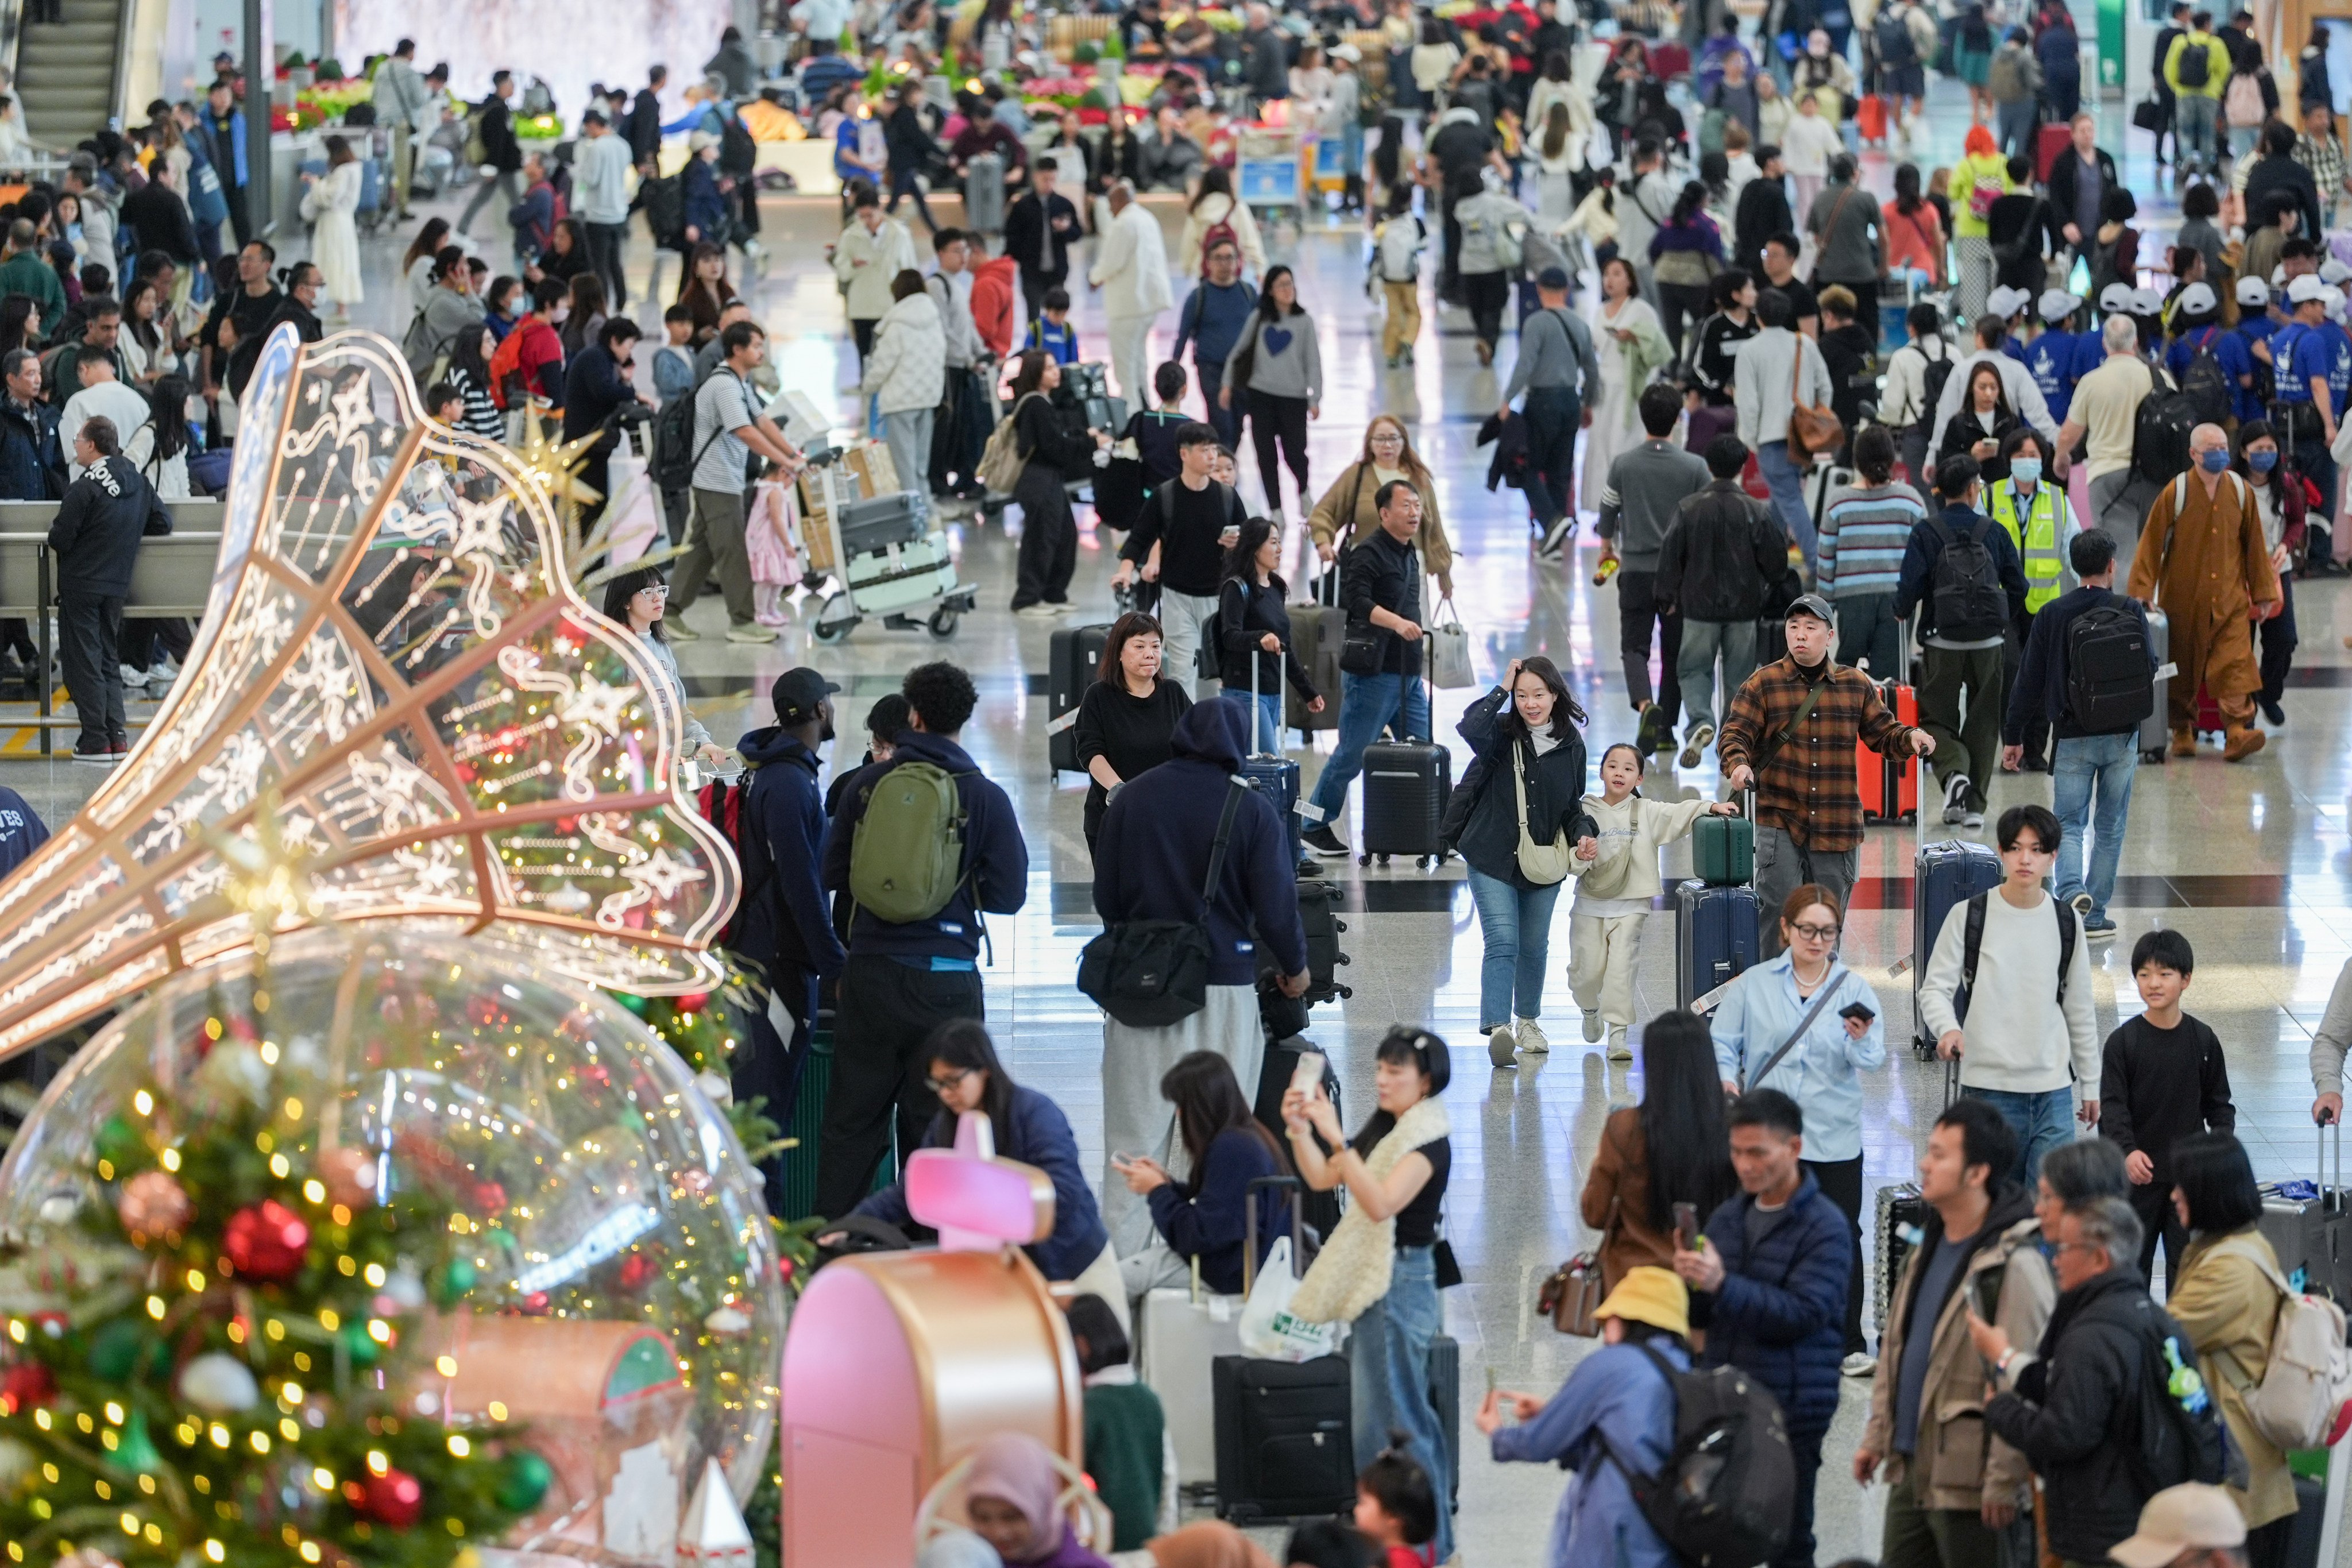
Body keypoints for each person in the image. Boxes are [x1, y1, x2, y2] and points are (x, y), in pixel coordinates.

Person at [1092, 696, 1306, 1255]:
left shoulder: (1130, 798)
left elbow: (1106, 900)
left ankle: (1122, 1277)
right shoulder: (1251, 809)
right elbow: (1278, 906)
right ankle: (1194, 1274)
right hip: (1225, 988)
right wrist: (1296, 971)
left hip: (1139, 992)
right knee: (1213, 1137)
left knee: (1133, 1135)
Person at [817, 663, 1029, 1218]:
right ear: (965, 718)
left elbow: (831, 873)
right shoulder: (982, 796)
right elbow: (1009, 896)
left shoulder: (867, 785)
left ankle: (830, 1255)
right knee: (935, 1131)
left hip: (870, 975)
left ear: (912, 716)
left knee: (850, 1128)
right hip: (947, 985)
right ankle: (928, 1258)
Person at [1282, 1026, 1455, 1566]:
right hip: (1377, 1284)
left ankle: (1433, 1546)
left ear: (1425, 1081)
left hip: (1399, 1283)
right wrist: (1298, 1131)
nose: (1382, 1079)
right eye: (1380, 1069)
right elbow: (1320, 1178)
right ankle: (1394, 1545)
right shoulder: (1389, 1131)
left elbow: (1380, 1203)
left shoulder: (1428, 1141)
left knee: (1401, 1424)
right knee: (1374, 1426)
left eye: (1395, 1071)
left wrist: (1335, 1137)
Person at [1855, 1098, 2053, 1568]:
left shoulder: (2012, 1263)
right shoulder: (1928, 1246)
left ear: (1977, 1173)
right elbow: (1896, 1350)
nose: (1923, 1163)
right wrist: (1876, 1434)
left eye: (1939, 1155)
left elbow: (2023, 1381)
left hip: (1972, 1484)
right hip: (1910, 1467)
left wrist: (2004, 1479)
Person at [1710, 883, 1887, 1372]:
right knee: (1763, 1234)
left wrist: (1860, 1040)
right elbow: (1722, 1042)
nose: (1816, 941)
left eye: (1827, 932)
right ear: (1785, 928)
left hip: (1832, 1135)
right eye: (1807, 929)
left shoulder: (1852, 988)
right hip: (1769, 1135)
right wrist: (1728, 1085)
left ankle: (1847, 1342)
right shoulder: (1755, 984)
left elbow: (1872, 1060)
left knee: (1840, 1235)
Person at [1673, 1088, 1851, 1568]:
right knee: (1716, 1531)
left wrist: (1721, 1284)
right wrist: (1692, 1283)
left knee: (1788, 1540)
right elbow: (1711, 1312)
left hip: (1789, 1411)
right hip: (1727, 1405)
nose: (1745, 1166)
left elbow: (1802, 1314)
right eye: (1736, 1153)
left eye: (1758, 1153)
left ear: (1793, 1148)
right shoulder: (1731, 1215)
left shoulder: (1825, 1227)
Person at [1974, 1196, 2204, 1566]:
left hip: (2102, 1532)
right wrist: (2009, 1360)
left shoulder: (2091, 1335)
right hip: (2149, 1512)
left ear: (2099, 1258)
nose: (2055, 1259)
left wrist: (2001, 1410)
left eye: (2065, 1249)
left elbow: (2064, 1433)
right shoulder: (2158, 1320)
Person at [841, 1020, 1114, 1320]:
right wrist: (852, 1226)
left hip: (1075, 1265)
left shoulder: (1035, 1113)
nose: (945, 1094)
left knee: (1103, 1364)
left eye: (953, 1081)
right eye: (937, 1084)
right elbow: (911, 1192)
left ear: (984, 1070)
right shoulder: (945, 1127)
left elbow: (1062, 1193)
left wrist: (985, 1212)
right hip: (1005, 1275)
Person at [1720, 593, 1933, 945]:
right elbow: (1735, 733)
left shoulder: (1855, 684)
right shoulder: (1763, 683)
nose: (1800, 635)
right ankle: (1774, 994)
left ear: (1829, 635)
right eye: (1794, 627)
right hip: (1779, 818)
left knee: (1826, 921)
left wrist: (1910, 737)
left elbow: (1883, 734)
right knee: (1778, 916)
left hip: (1837, 823)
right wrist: (1738, 764)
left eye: (1810, 627)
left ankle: (1821, 997)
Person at [1920, 803, 2100, 1182]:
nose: (2025, 859)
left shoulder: (2066, 921)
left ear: (2052, 857)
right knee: (1993, 1212)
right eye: (2015, 848)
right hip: (1988, 1089)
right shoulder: (1970, 916)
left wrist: (2091, 1084)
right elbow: (1934, 988)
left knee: (2049, 1213)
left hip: (2052, 1092)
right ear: (2000, 852)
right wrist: (1947, 1028)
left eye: (2036, 850)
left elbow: (2079, 1008)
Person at [1478, 1265, 1696, 1568]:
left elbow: (1539, 1443)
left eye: (1610, 1319)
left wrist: (1497, 1432)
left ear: (1629, 1319)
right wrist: (1548, 1410)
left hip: (1615, 1533)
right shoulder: (1687, 1369)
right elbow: (1631, 1432)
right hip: (1667, 1536)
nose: (1605, 1331)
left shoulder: (1612, 1364)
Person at [2001, 528, 2153, 940]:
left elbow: (2028, 680)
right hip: (2122, 735)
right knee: (2111, 824)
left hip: (2071, 733)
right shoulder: (2129, 609)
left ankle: (2071, 893)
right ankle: (2096, 914)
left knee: (2068, 821)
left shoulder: (2052, 613)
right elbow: (2149, 667)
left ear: (2072, 567)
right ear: (2111, 566)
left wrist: (2013, 735)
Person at [1448, 656, 1598, 1067]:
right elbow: (1468, 727)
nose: (1530, 704)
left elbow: (1571, 805)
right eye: (1521, 696)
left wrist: (1585, 834)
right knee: (1502, 940)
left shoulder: (1571, 746)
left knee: (1534, 947)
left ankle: (1527, 1021)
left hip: (1543, 858)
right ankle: (1499, 1028)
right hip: (1491, 853)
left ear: (1554, 695)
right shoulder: (1499, 732)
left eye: (1538, 695)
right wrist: (1500, 686)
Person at [724, 665, 847, 1157]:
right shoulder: (789, 785)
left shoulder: (769, 772)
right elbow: (801, 888)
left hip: (756, 952)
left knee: (765, 1104)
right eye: (829, 701)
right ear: (819, 710)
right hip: (774, 965)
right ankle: (768, 1226)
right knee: (767, 1114)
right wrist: (835, 964)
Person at [2162, 1137, 2299, 1567]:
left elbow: (2160, 1339)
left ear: (2208, 1191)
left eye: (2181, 1185)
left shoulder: (2228, 1271)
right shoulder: (2238, 1246)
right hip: (2240, 1463)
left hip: (2236, 1475)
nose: (2172, 1194)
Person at [2129, 422, 2284, 761]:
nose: (2218, 454)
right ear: (2193, 453)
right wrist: (2142, 590)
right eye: (2211, 448)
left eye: (2222, 447)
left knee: (2235, 664)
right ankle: (2183, 729)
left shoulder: (2240, 491)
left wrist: (2263, 593)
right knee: (2182, 665)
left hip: (2230, 599)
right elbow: (2151, 542)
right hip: (2183, 598)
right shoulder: (2177, 490)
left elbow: (2255, 545)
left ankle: (2237, 731)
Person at [1894, 453, 2030, 828]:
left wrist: (1902, 609)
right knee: (1984, 720)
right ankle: (1972, 808)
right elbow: (2019, 586)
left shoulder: (1926, 531)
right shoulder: (1994, 531)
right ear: (1973, 490)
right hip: (1988, 643)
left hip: (1942, 641)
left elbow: (1909, 588)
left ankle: (1953, 774)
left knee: (1934, 717)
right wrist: (2000, 620)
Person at [1299, 481, 1431, 860]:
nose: (1413, 512)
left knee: (1425, 750)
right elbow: (1356, 601)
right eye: (1405, 505)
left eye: (1416, 505)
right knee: (1351, 756)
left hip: (1407, 675)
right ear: (1384, 513)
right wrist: (1395, 623)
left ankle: (1439, 826)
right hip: (1373, 676)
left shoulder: (1408, 552)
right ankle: (1311, 824)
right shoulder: (1368, 553)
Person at [2099, 930, 2236, 1280]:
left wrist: (2212, 1159)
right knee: (2131, 1268)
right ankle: (2135, 1332)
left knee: (2187, 1270)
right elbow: (2113, 1110)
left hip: (2186, 1181)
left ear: (2186, 980)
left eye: (2165, 974)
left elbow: (2219, 1106)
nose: (2153, 984)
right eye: (2144, 975)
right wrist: (2127, 1152)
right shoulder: (2123, 1043)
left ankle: (2182, 1336)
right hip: (2137, 1178)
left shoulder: (2203, 1040)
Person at [1109, 1051, 1288, 1301]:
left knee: (1109, 1285)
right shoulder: (1249, 1138)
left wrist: (1157, 1191)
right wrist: (1167, 1184)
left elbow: (1195, 1237)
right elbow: (1219, 1208)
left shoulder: (1232, 1148)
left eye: (1183, 1106)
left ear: (1201, 1106)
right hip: (1247, 1261)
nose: (1179, 1115)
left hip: (1230, 1272)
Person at [1656, 435, 1790, 767]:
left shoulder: (1688, 508)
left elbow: (1671, 556)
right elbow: (1777, 565)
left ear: (1708, 465)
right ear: (1743, 466)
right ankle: (1734, 740)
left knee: (1692, 669)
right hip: (1745, 609)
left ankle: (1701, 720)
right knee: (1741, 677)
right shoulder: (1756, 510)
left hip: (1698, 609)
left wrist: (1666, 597)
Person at [667, 320, 799, 646]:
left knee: (700, 549)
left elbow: (762, 421)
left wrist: (791, 452)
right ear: (737, 349)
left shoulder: (740, 382)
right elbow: (744, 430)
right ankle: (742, 621)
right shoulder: (724, 386)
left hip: (722, 479)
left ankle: (667, 613)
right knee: (733, 551)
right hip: (717, 481)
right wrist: (784, 461)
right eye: (756, 345)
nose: (761, 352)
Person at [50, 415, 171, 764]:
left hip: (81, 585)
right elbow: (163, 523)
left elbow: (60, 537)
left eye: (78, 440)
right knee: (108, 659)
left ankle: (95, 741)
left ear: (91, 445)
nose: (75, 445)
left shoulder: (85, 484)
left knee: (83, 660)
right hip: (116, 584)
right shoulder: (137, 479)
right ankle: (117, 737)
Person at [1598, 384, 1711, 754]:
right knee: (1675, 650)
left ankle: (1647, 706)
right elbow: (1706, 516)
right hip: (1679, 575)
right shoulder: (1694, 467)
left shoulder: (1624, 464)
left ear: (1643, 416)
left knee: (1634, 646)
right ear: (1679, 418)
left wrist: (1606, 547)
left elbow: (1608, 510)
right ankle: (1665, 731)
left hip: (1634, 570)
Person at [1115, 421, 1249, 696]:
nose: (1212, 456)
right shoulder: (1165, 497)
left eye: (1214, 449)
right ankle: (1184, 734)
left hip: (1217, 598)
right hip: (1176, 597)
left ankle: (1210, 733)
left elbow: (1247, 542)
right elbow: (1139, 538)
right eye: (1204, 450)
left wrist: (1235, 545)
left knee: (1215, 675)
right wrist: (1125, 571)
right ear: (1184, 454)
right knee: (1182, 670)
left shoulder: (1227, 497)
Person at [1500, 266, 1602, 559]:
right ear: (1566, 291)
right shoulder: (1580, 324)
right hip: (1571, 402)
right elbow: (1592, 370)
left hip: (1542, 401)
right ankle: (1554, 542)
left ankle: (1551, 522)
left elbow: (1525, 364)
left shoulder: (1537, 322)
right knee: (1560, 472)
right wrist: (1587, 403)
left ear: (1541, 290)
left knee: (1526, 468)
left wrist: (1507, 399)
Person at [1073, 611, 1192, 855]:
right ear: (1118, 652)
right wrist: (1119, 790)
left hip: (1167, 820)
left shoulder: (1173, 693)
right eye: (1139, 646)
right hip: (1114, 820)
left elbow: (1197, 745)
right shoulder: (1099, 696)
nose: (1150, 654)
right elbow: (1091, 752)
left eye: (1156, 646)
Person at [1735, 287, 1835, 569]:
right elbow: (1825, 388)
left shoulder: (1749, 350)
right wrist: (1817, 422)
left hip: (1771, 436)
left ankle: (1819, 566)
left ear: (1759, 317)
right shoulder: (1804, 344)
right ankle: (1770, 561)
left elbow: (1749, 404)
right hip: (1802, 438)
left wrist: (1751, 439)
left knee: (1789, 499)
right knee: (1783, 498)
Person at [1002, 352, 1107, 617]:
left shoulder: (1042, 403)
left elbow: (1054, 439)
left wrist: (1082, 436)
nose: (1056, 372)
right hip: (1039, 480)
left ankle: (1052, 593)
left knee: (1064, 536)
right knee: (1042, 538)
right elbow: (1054, 447)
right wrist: (1090, 443)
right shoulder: (1036, 405)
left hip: (1048, 479)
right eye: (1049, 368)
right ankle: (1027, 599)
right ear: (1036, 374)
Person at [1821, 427, 1929, 679]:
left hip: (1852, 600)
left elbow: (1826, 558)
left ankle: (1847, 718)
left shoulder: (1839, 502)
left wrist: (1825, 607)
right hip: (1898, 602)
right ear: (1892, 460)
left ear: (1856, 461)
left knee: (1845, 675)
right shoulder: (1910, 500)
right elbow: (1924, 557)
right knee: (1890, 679)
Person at [1065, 1295, 1166, 1555]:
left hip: (1106, 1540)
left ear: (1081, 1345)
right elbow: (1169, 1472)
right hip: (1147, 1536)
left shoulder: (1091, 1405)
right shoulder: (1148, 1397)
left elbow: (1069, 1472)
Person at [1306, 417, 1452, 593]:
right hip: (1366, 570)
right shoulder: (1357, 475)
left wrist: (1443, 573)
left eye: (1393, 438)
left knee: (1412, 620)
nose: (1387, 445)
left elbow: (1434, 526)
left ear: (1404, 441)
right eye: (1380, 439)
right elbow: (1324, 512)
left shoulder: (1419, 478)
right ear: (1370, 443)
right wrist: (1323, 541)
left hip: (1411, 572)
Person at [1222, 265, 1320, 524]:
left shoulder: (1304, 321)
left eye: (1290, 284)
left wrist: (1315, 398)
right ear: (1271, 291)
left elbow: (1313, 362)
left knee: (1295, 452)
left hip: (1294, 398)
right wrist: (1226, 385)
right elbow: (1238, 352)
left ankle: (1303, 491)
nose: (1288, 290)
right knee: (1266, 455)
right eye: (1282, 286)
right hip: (1261, 396)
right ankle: (1275, 509)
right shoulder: (1259, 318)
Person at [1217, 513, 1324, 747]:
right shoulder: (1236, 588)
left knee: (1257, 768)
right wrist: (1260, 637)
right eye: (1273, 542)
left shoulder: (1275, 588)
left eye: (1279, 542)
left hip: (1273, 690)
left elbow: (1284, 648)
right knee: (1267, 763)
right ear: (1255, 547)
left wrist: (1308, 692)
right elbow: (1230, 636)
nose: (1280, 549)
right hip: (1244, 690)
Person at [2059, 315, 2160, 552]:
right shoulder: (2159, 378)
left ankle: (2123, 592)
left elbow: (2068, 435)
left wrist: (2060, 458)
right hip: (2152, 475)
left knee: (2120, 552)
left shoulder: (2092, 382)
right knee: (2153, 551)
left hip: (2107, 475)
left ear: (2105, 344)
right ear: (2135, 342)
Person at [1582, 257, 1673, 519]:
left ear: (1630, 280)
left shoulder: (1641, 310)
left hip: (1629, 389)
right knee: (1600, 446)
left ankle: (1629, 509)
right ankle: (1605, 510)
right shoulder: (1600, 312)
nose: (1610, 280)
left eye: (1617, 274)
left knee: (1623, 446)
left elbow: (1657, 350)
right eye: (1606, 274)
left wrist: (1634, 339)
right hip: (1603, 389)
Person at [860, 269, 947, 497]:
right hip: (927, 400)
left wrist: (867, 386)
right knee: (920, 466)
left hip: (900, 402)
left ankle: (914, 518)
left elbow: (882, 365)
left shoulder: (897, 324)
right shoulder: (934, 320)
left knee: (904, 468)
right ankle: (929, 515)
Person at [1090, 181, 1174, 411]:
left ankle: (1133, 419)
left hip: (1128, 307)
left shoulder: (1124, 224)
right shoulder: (1146, 218)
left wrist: (1094, 278)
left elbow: (1111, 263)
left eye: (1111, 203)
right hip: (1147, 306)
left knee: (1125, 370)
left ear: (1119, 200)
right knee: (1139, 365)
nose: (1109, 210)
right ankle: (1146, 411)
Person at [1172, 237, 1256, 452]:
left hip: (1243, 372)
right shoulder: (1199, 297)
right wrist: (1174, 369)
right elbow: (1182, 335)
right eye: (1218, 258)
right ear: (1208, 263)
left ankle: (1225, 465)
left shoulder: (1248, 294)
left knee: (1237, 425)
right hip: (1211, 370)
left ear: (1238, 262)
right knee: (1222, 424)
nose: (1224, 264)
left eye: (1229, 258)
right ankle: (1222, 473)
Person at [833, 190, 919, 365]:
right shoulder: (850, 236)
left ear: (880, 208)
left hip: (890, 307)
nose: (867, 221)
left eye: (870, 215)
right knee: (865, 358)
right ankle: (866, 390)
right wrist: (853, 265)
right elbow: (842, 272)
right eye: (862, 216)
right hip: (861, 307)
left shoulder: (899, 235)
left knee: (892, 358)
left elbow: (910, 271)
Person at [1003, 155, 1082, 324]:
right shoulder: (1022, 206)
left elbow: (1077, 233)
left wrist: (1066, 230)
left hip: (1057, 271)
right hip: (1031, 271)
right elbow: (1012, 237)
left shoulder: (1064, 204)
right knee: (1033, 316)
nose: (1048, 183)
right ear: (1035, 177)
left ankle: (1053, 348)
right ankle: (1035, 349)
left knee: (1056, 316)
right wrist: (1017, 258)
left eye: (1052, 179)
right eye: (1044, 179)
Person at [60, 346, 153, 482]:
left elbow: (73, 451)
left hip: (90, 488)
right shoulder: (140, 402)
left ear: (84, 369)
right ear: (111, 367)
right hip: (133, 487)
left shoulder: (78, 402)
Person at [458, 71, 525, 239]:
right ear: (502, 85)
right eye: (511, 83)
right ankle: (524, 230)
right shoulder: (497, 110)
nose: (513, 87)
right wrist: (492, 167)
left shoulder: (497, 106)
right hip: (502, 166)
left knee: (484, 197)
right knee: (515, 199)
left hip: (499, 165)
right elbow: (497, 141)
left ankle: (462, 229)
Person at [2165, 12, 2233, 176]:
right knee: (2207, 131)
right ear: (2208, 24)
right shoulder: (2216, 44)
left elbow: (2170, 69)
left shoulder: (2180, 42)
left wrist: (2177, 88)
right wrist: (2219, 89)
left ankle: (2189, 159)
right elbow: (2226, 70)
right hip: (2209, 95)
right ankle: (2204, 168)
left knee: (2185, 130)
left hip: (2185, 93)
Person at [1177, 165, 1268, 283]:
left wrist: (1187, 267)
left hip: (1206, 273)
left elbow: (1189, 242)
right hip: (1234, 272)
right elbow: (1250, 240)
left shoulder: (1197, 209)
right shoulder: (1236, 207)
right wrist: (1260, 268)